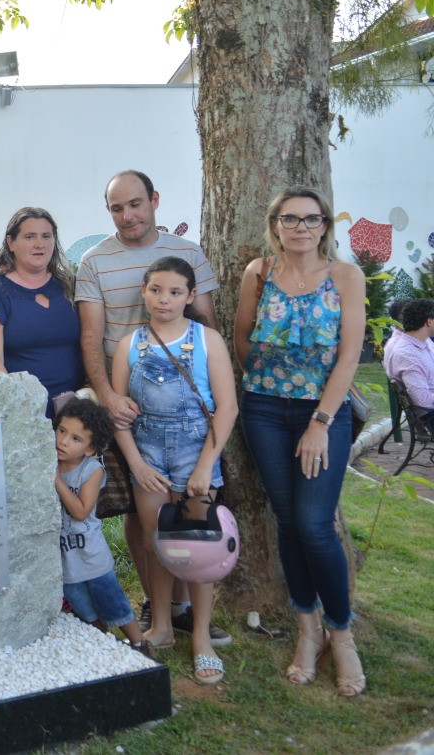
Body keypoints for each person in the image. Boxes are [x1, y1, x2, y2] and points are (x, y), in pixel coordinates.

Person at [75, 170, 230, 647]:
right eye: (117, 208)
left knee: (193, 521)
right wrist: (109, 398)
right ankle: (158, 607)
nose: (128, 215)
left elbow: (205, 323)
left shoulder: (190, 255)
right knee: (145, 520)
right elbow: (90, 335)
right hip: (130, 409)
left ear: (154, 200)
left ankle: (187, 613)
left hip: (189, 417)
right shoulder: (95, 261)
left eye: (136, 204)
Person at [235, 187, 367, 698]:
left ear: (325, 226)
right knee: (288, 521)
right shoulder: (259, 273)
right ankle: (307, 629)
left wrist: (319, 420)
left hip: (323, 413)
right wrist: (269, 384)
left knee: (315, 525)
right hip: (264, 411)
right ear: (275, 225)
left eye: (311, 219)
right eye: (290, 219)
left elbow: (351, 356)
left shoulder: (346, 277)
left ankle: (342, 631)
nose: (301, 228)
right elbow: (243, 337)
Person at [111, 257, 237, 685]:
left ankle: (201, 635)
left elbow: (227, 407)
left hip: (194, 451)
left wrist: (205, 466)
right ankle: (162, 625)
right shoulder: (131, 344)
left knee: (199, 546)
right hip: (146, 452)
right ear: (144, 291)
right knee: (156, 543)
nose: (164, 299)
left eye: (175, 292)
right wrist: (135, 463)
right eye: (156, 290)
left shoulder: (208, 340)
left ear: (190, 296)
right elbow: (119, 415)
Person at [53, 397, 152, 656]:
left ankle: (141, 645)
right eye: (62, 431)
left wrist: (55, 479)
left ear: (89, 449)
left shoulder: (91, 470)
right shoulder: (49, 464)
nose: (63, 441)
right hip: (66, 562)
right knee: (85, 611)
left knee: (115, 606)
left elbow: (80, 511)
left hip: (93, 559)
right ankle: (107, 649)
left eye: (76, 438)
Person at [0, 208, 82, 416]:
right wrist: (23, 412)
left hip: (75, 414)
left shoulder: (69, 284)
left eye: (46, 236)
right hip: (25, 412)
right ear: (11, 243)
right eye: (30, 236)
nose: (39, 244)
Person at [385, 299, 434, 428]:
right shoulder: (408, 354)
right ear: (429, 322)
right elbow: (423, 400)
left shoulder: (424, 342)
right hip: (429, 417)